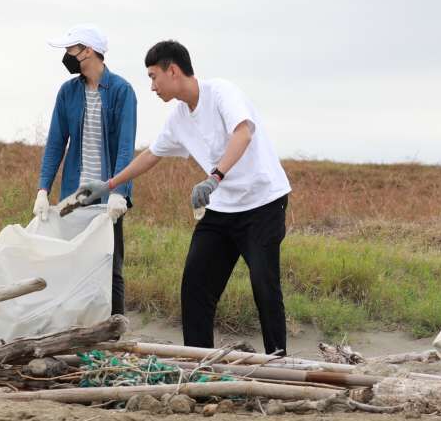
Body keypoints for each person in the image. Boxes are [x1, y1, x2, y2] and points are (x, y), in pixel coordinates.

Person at [75, 41, 291, 354]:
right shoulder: (178, 118)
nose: (152, 86)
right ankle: (199, 363)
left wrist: (214, 177)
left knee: (264, 283)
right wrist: (109, 185)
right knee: (195, 285)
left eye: (153, 77)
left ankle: (278, 360)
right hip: (222, 210)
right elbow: (151, 155)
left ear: (173, 71)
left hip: (263, 204)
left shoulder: (221, 93)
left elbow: (243, 133)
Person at [36, 25, 137, 315]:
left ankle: (114, 331)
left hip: (108, 198)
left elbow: (125, 147)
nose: (66, 57)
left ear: (88, 51)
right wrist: (43, 189)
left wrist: (119, 192)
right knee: (71, 262)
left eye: (70, 51)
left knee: (110, 264)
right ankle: (76, 325)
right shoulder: (68, 92)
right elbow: (56, 143)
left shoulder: (121, 91)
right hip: (74, 195)